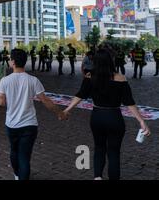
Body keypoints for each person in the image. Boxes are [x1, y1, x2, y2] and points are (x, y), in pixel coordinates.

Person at [64, 49, 151, 180]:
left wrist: (67, 109)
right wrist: (141, 120)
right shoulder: (121, 78)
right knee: (114, 152)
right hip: (114, 117)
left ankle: (97, 177)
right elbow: (129, 102)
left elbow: (80, 95)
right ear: (111, 61)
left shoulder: (89, 76)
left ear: (95, 61)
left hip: (97, 117)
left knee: (99, 148)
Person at [0, 49, 66, 180]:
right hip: (29, 124)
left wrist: (8, 100)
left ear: (12, 62)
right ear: (24, 62)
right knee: (24, 156)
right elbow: (45, 100)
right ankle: (21, 176)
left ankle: (17, 174)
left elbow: (0, 102)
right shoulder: (33, 80)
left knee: (14, 151)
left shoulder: (4, 81)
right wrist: (60, 112)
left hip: (11, 124)